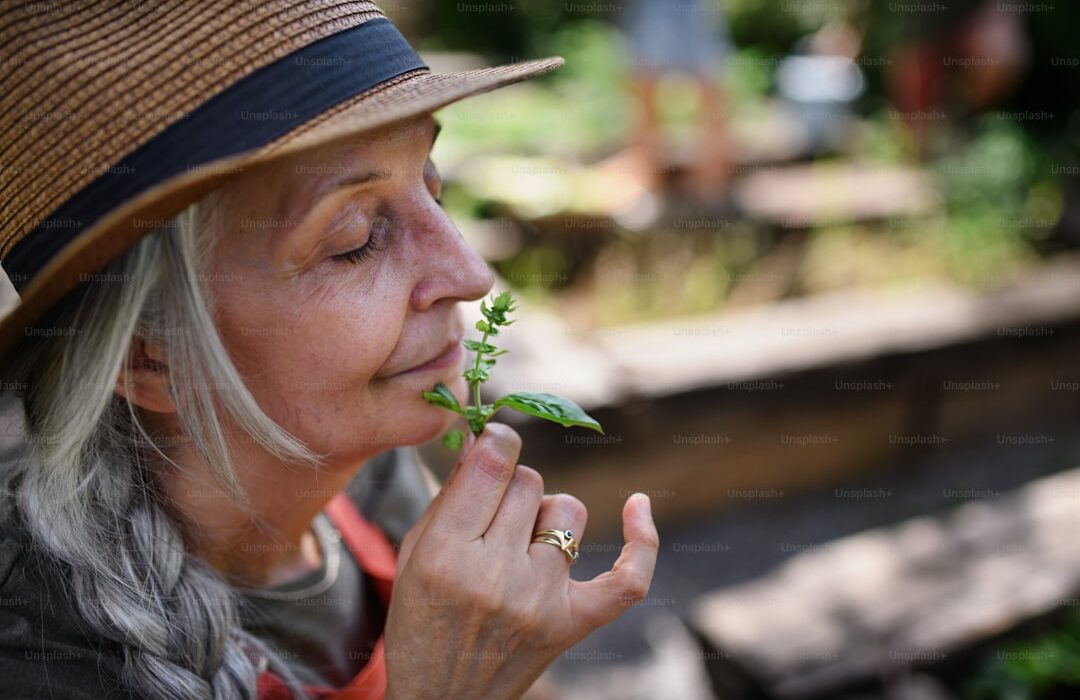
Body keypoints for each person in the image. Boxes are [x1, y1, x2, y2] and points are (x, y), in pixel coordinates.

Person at [0, 2, 660, 699]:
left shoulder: (371, 480)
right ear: (148, 355)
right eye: (354, 238)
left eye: (433, 187)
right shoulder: (38, 661)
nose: (469, 274)